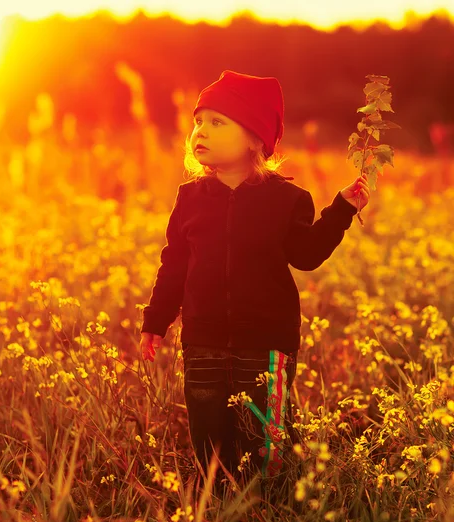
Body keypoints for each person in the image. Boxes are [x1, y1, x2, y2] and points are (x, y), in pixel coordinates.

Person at [139, 70, 370, 498]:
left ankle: (266, 505)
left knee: (263, 439)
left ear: (255, 140)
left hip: (266, 341)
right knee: (208, 432)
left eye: (217, 122)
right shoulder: (190, 198)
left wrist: (340, 210)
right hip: (203, 339)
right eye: (198, 121)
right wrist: (156, 320)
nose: (200, 131)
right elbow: (173, 265)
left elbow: (306, 254)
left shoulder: (286, 199)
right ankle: (216, 504)